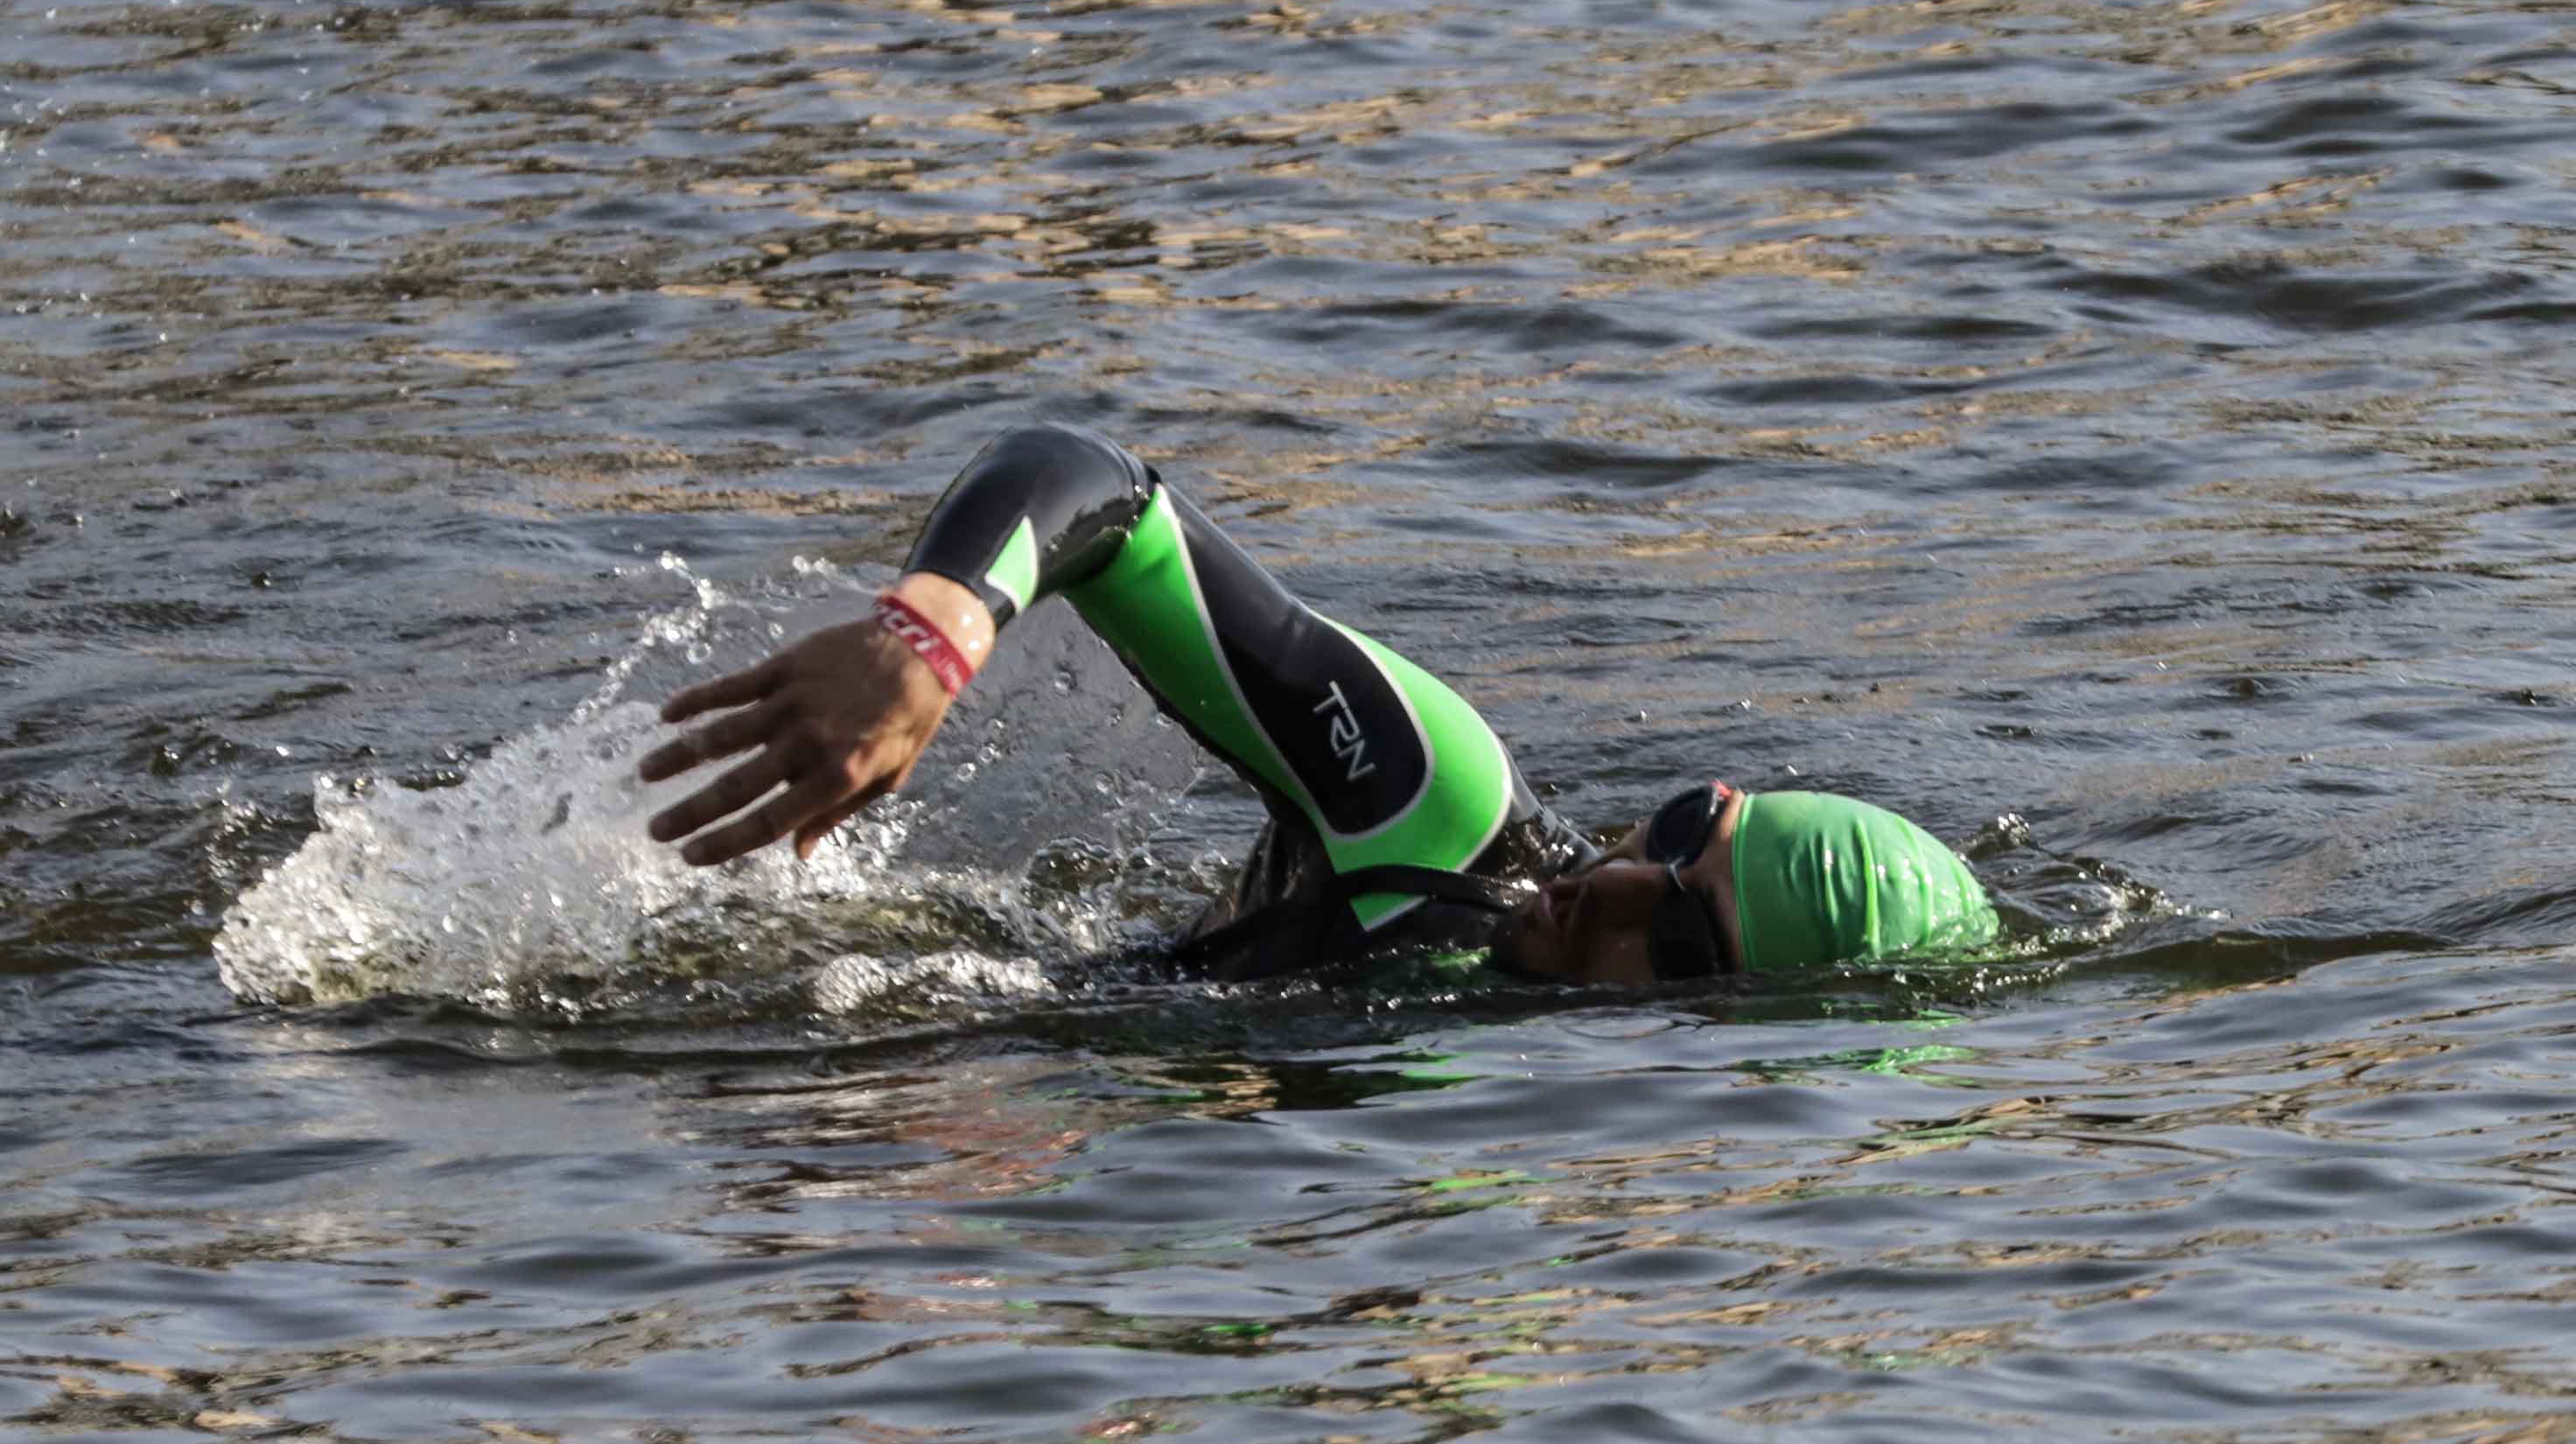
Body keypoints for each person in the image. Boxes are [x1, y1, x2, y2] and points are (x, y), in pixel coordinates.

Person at [637, 424, 1998, 984]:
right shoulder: (1437, 809)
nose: (1620, 882)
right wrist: (928, 636)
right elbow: (1093, 479)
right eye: (1678, 826)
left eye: (1685, 940)